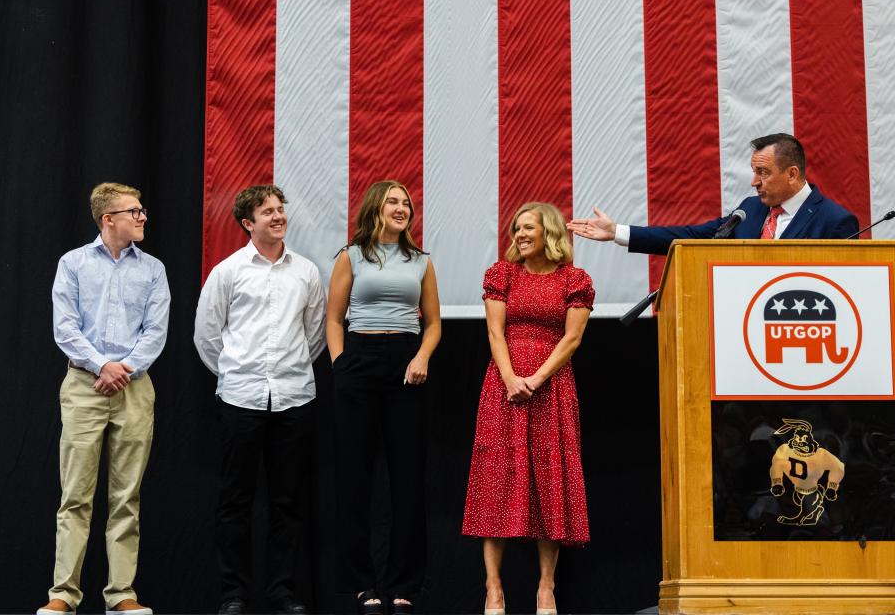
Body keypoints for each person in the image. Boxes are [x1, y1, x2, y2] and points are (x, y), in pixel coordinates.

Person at [194, 185, 326, 615]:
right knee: (235, 501)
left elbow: (315, 336)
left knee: (287, 502)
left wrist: (287, 371)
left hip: (293, 399)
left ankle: (282, 593)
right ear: (247, 223)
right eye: (266, 211)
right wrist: (238, 373)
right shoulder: (227, 272)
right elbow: (208, 337)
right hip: (240, 399)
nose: (277, 215)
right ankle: (233, 594)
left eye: (280, 208)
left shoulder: (305, 272)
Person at [39, 182, 170, 615]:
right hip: (83, 387)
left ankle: (121, 594)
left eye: (142, 210)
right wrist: (102, 366)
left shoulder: (152, 269)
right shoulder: (73, 263)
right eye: (134, 211)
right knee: (75, 494)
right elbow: (66, 328)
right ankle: (63, 593)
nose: (143, 217)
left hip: (135, 387)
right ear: (107, 219)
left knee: (126, 496)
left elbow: (155, 331)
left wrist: (123, 368)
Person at [462, 202, 595, 615]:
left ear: (549, 233)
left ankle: (546, 588)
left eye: (528, 228)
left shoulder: (575, 280)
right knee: (495, 480)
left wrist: (536, 380)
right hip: (503, 385)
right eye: (516, 228)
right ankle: (494, 589)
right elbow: (494, 331)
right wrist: (510, 379)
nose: (519, 235)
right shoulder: (502, 274)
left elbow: (572, 339)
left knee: (550, 478)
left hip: (550, 386)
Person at [326, 180, 441, 615]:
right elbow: (334, 318)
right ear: (376, 207)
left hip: (406, 366)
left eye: (406, 203)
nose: (402, 207)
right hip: (359, 361)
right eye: (393, 201)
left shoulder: (421, 261)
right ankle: (361, 583)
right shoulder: (350, 255)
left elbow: (432, 323)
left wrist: (422, 356)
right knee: (354, 478)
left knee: (408, 479)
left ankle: (404, 584)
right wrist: (340, 366)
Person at [567, 133, 859, 252]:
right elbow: (694, 237)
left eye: (763, 173)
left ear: (792, 174)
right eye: (754, 172)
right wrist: (618, 231)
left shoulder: (835, 221)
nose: (754, 182)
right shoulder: (752, 208)